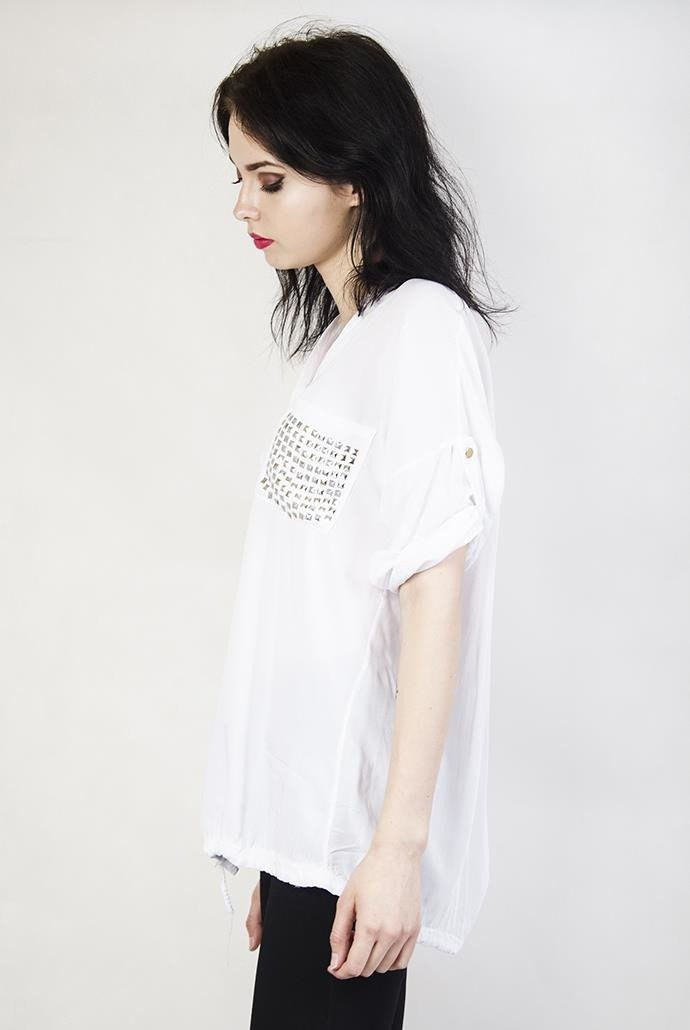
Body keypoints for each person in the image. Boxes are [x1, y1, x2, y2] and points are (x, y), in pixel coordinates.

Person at [201, 20, 514, 1030]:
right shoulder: (347, 344)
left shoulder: (422, 330)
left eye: (271, 178)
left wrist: (395, 852)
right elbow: (318, 608)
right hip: (310, 839)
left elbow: (431, 592)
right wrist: (280, 844)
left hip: (355, 848)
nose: (243, 204)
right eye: (240, 177)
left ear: (352, 175)